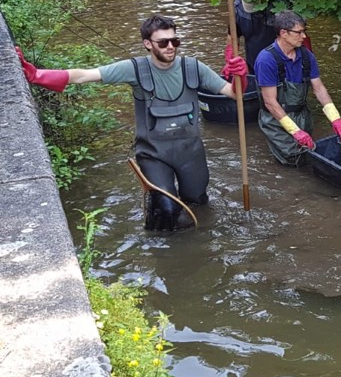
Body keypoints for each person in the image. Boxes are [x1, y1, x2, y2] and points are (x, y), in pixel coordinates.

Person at [16, 15, 248, 231]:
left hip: (190, 152)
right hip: (154, 154)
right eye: (163, 42)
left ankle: (199, 246)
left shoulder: (193, 67)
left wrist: (240, 75)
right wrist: (37, 75)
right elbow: (85, 75)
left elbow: (233, 94)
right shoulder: (135, 69)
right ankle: (165, 253)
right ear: (148, 44)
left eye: (175, 40)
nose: (170, 46)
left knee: (198, 203)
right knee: (167, 210)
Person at [253, 10, 341, 166]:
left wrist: (336, 119)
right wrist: (295, 131)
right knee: (293, 160)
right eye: (299, 32)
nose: (304, 36)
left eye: (304, 32)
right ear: (283, 33)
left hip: (302, 114)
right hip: (276, 119)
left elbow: (319, 89)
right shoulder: (266, 60)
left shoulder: (306, 56)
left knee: (309, 155)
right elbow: (270, 103)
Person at [233, 0, 309, 68]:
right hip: (254, 61)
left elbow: (298, 32)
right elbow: (233, 36)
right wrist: (232, 60)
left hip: (284, 62)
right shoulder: (238, 8)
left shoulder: (281, 5)